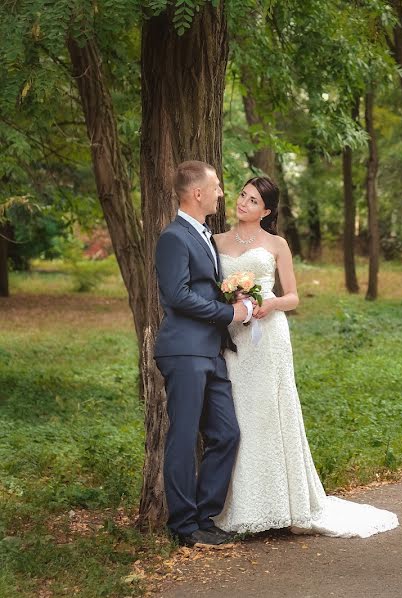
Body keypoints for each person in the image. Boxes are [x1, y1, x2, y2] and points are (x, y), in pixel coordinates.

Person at [213, 176, 398, 538]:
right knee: (238, 415)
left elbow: (293, 296)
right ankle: (241, 506)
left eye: (253, 201)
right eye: (242, 195)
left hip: (268, 337)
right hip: (232, 335)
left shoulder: (277, 244)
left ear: (266, 211)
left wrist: (271, 303)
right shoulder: (216, 241)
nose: (243, 203)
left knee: (269, 412)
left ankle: (284, 505)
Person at [154, 161, 254, 547]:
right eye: (216, 186)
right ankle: (184, 527)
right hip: (184, 351)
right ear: (197, 193)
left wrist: (234, 299)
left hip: (210, 351)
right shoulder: (173, 237)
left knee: (226, 433)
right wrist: (229, 312)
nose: (222, 193)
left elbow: (201, 289)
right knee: (182, 437)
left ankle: (204, 515)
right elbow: (177, 296)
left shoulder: (204, 235)